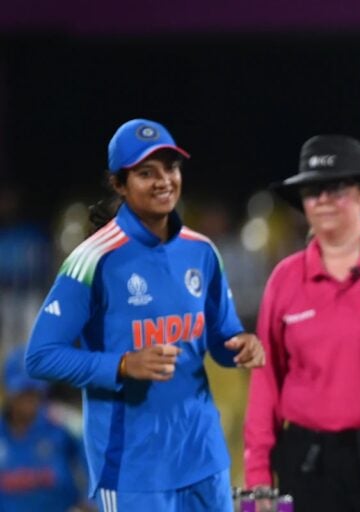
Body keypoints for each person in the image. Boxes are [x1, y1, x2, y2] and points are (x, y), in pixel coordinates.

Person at [24, 118, 265, 512]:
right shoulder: (93, 260)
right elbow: (41, 355)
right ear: (119, 184)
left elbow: (223, 338)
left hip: (204, 460)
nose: (163, 181)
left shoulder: (202, 252)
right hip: (133, 471)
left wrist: (241, 345)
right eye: (146, 172)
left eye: (170, 168)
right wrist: (121, 365)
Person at [244, 134, 360, 511]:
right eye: (313, 191)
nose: (324, 200)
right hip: (311, 465)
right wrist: (257, 475)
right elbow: (266, 383)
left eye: (337, 189)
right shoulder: (284, 280)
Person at [0, 345, 90, 511]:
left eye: (34, 393)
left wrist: (88, 501)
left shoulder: (62, 423)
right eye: (23, 393)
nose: (29, 401)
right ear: (9, 393)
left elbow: (93, 462)